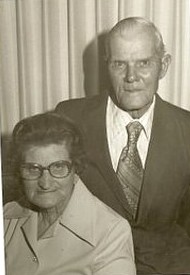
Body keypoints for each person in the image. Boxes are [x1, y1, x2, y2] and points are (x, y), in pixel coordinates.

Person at [55, 17, 190, 274]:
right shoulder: (69, 117)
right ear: (107, 66)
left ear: (164, 65)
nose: (131, 77)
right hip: (86, 265)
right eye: (120, 64)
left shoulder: (188, 129)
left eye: (143, 63)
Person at [3, 112, 136, 275]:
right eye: (33, 169)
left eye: (58, 167)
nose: (45, 183)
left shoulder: (111, 232)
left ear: (76, 169)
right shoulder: (6, 217)